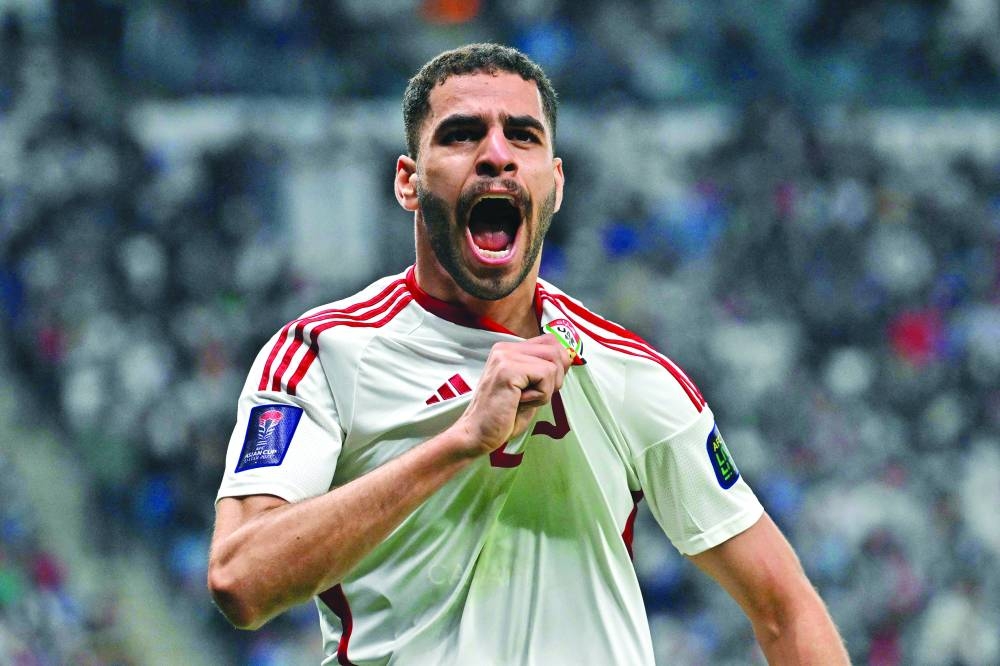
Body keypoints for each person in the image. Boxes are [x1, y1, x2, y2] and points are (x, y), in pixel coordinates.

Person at [208, 43, 849, 664]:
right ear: (408, 181)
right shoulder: (324, 353)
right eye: (461, 135)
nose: (496, 156)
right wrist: (459, 442)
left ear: (556, 182)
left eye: (523, 135)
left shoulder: (627, 373)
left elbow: (785, 609)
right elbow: (242, 579)